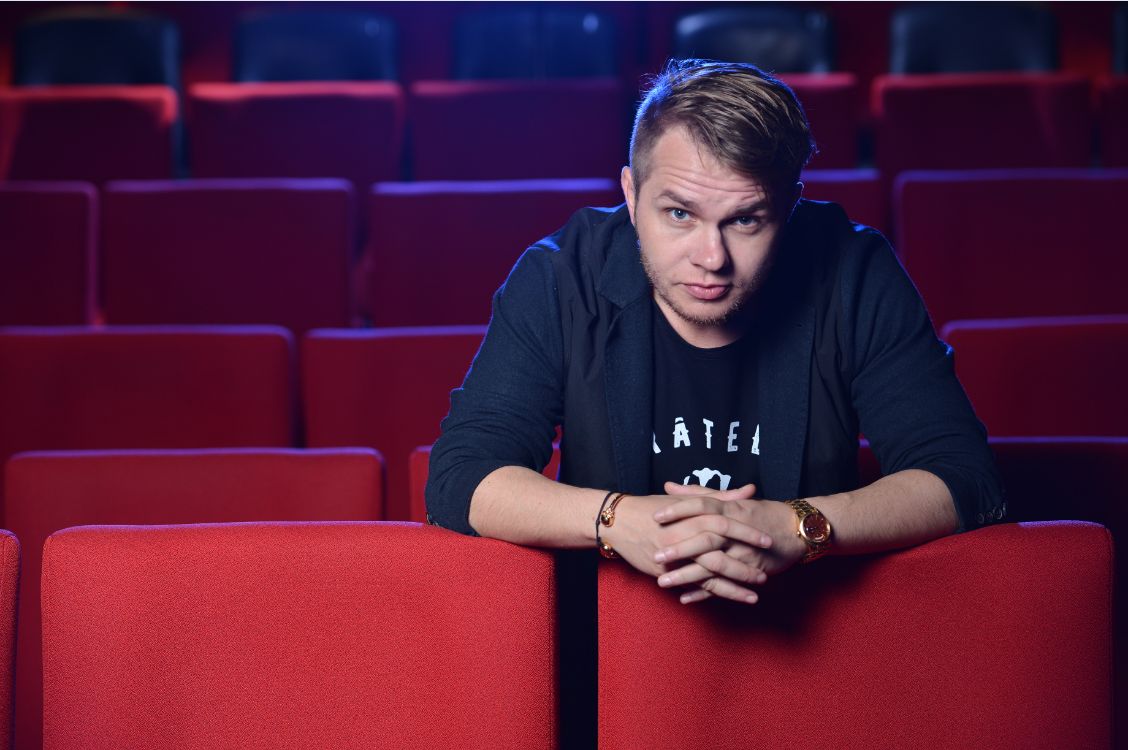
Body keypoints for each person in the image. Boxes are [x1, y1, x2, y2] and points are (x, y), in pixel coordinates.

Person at [426, 59, 1004, 606]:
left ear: (789, 208)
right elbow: (462, 477)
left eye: (745, 220)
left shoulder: (854, 270)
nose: (711, 258)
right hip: (604, 636)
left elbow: (963, 478)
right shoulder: (561, 275)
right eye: (679, 214)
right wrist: (617, 519)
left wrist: (796, 526)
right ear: (631, 194)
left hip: (816, 635)